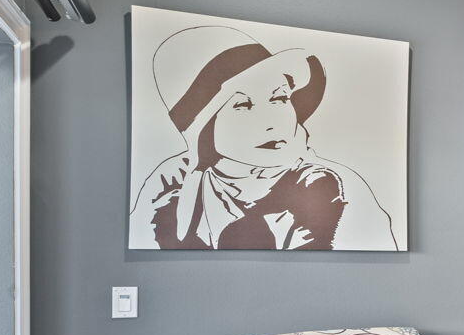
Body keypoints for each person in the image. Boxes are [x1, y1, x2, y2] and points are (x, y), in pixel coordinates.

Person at [129, 23, 397, 250]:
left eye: (279, 98)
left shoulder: (336, 187)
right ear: (204, 127)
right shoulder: (170, 182)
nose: (271, 122)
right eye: (242, 105)